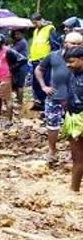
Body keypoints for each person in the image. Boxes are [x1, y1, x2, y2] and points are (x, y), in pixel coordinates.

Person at [35, 32, 83, 164]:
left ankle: (72, 152)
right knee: (52, 127)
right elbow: (39, 69)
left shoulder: (81, 58)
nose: (76, 46)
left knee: (74, 128)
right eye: (73, 43)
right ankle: (52, 151)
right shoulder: (53, 56)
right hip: (54, 97)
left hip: (75, 101)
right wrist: (44, 86)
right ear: (65, 43)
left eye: (79, 44)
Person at [30, 13, 62, 111]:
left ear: (41, 20)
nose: (34, 25)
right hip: (35, 60)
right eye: (33, 23)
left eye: (36, 23)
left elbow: (55, 46)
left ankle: (48, 107)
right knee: (35, 84)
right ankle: (41, 103)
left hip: (45, 61)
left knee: (46, 83)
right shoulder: (35, 30)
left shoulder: (50, 29)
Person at [62, 46, 83, 191]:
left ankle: (74, 190)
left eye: (71, 61)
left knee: (79, 159)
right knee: (77, 158)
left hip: (79, 118)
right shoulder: (73, 73)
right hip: (73, 118)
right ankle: (73, 190)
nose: (68, 65)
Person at [11, 30, 30, 112]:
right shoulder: (18, 42)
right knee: (17, 85)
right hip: (18, 65)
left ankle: (20, 103)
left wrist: (10, 47)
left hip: (22, 66)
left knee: (20, 85)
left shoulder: (22, 42)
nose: (16, 36)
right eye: (15, 34)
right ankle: (18, 101)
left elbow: (12, 51)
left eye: (18, 34)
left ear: (22, 34)